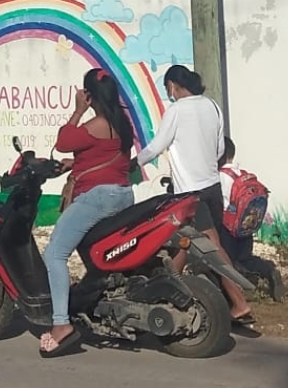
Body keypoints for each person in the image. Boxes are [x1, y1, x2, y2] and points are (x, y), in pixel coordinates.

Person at [134, 65, 254, 325]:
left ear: (173, 86)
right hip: (211, 186)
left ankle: (239, 302)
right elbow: (220, 147)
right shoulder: (212, 106)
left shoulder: (176, 110)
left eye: (169, 89)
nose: (170, 94)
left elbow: (157, 146)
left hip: (190, 191)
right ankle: (165, 292)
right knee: (184, 241)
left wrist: (135, 163)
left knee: (211, 246)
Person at [40, 68, 135, 358]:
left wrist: (77, 110)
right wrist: (76, 164)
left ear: (90, 94)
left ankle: (60, 325)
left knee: (54, 254)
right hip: (122, 195)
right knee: (92, 249)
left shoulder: (95, 123)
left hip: (96, 198)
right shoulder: (122, 123)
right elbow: (102, 153)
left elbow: (63, 141)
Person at [217, 137, 285, 302]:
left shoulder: (220, 177)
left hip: (229, 227)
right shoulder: (244, 174)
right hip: (246, 225)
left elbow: (220, 203)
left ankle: (230, 297)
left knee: (227, 261)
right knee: (245, 258)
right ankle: (268, 270)